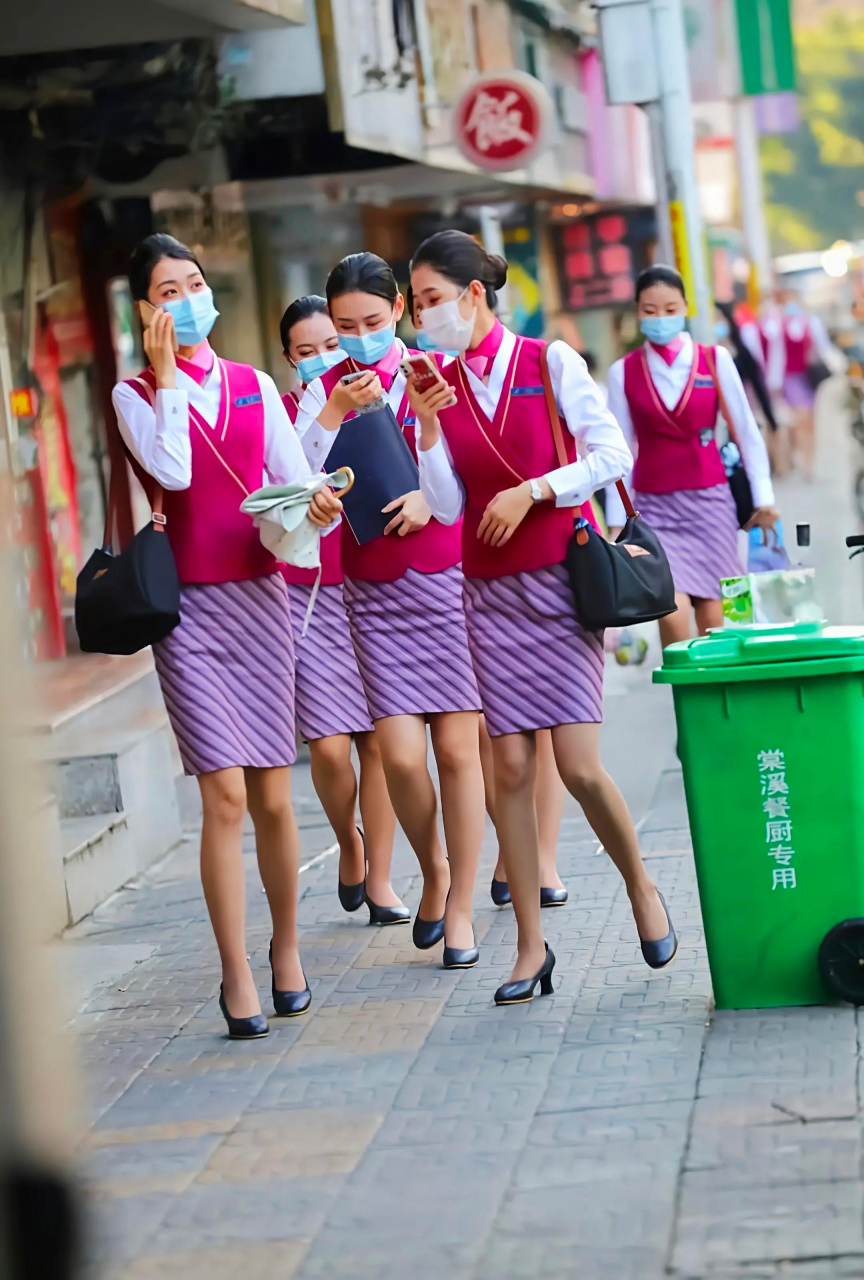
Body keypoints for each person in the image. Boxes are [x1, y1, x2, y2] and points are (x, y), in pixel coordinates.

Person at [409, 229, 676, 1006]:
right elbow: (447, 506)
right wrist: (428, 427)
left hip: (561, 583)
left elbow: (613, 456)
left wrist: (534, 490)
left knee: (579, 766)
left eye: (431, 299)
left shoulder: (547, 361)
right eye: (416, 305)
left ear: (473, 294)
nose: (423, 317)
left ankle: (640, 884)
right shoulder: (439, 383)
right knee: (512, 771)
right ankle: (529, 946)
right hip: (489, 597)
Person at [112, 235, 342, 1039]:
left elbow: (292, 477)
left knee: (275, 793)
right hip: (187, 614)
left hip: (261, 599)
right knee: (225, 795)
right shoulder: (134, 394)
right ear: (144, 311)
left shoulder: (253, 384)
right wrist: (168, 377)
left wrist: (317, 501)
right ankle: (235, 970)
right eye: (168, 292)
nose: (187, 301)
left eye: (194, 284)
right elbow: (173, 471)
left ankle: (286, 948)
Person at [295, 252, 486, 970]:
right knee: (403, 757)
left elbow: (464, 481)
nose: (358, 338)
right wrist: (334, 410)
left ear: (399, 310)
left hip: (446, 581)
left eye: (371, 322)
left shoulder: (435, 373)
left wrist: (428, 496)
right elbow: (294, 475)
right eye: (344, 327)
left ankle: (459, 904)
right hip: (372, 594)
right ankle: (432, 867)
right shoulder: (321, 394)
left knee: (458, 753)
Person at [279, 296, 407, 927]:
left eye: (332, 344)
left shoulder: (381, 403)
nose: (323, 358)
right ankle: (347, 840)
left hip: (371, 588)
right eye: (306, 351)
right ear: (289, 360)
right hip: (307, 597)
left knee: (378, 742)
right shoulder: (283, 415)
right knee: (329, 748)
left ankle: (379, 876)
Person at [606, 265, 778, 647]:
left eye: (670, 309)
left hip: (712, 504)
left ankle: (723, 683)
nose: (660, 319)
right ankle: (685, 683)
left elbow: (746, 432)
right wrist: (617, 523)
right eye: (650, 311)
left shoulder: (714, 360)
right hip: (654, 511)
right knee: (671, 610)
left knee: (720, 619)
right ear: (637, 312)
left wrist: (764, 497)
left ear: (685, 307)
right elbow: (617, 452)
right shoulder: (623, 372)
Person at [759, 288, 836, 477]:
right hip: (790, 379)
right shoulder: (780, 326)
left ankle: (810, 458)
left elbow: (824, 347)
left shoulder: (811, 322)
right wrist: (774, 382)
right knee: (800, 418)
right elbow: (777, 356)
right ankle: (801, 456)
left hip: (808, 378)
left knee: (810, 420)